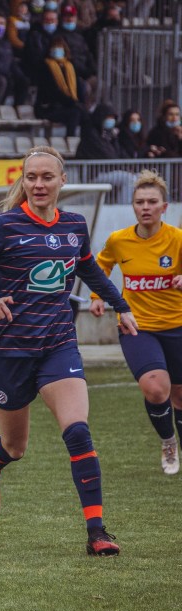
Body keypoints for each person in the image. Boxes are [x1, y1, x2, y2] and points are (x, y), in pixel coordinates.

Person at [0, 145, 139, 557]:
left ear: (62, 181)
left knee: (77, 431)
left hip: (58, 344)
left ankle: (97, 532)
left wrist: (121, 305)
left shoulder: (74, 225)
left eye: (46, 177)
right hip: (8, 351)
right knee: (14, 447)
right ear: (23, 181)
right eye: (31, 177)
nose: (38, 184)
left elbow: (88, 269)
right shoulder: (4, 226)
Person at [89, 171, 182, 475]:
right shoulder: (119, 240)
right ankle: (168, 442)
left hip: (177, 325)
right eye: (140, 202)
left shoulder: (177, 239)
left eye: (152, 202)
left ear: (164, 207)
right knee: (156, 389)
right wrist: (96, 296)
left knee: (180, 394)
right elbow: (100, 265)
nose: (145, 207)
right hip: (136, 326)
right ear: (133, 206)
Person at [34, 36, 85, 137]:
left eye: (60, 47)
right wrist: (72, 103)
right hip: (49, 107)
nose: (57, 50)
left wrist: (79, 102)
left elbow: (78, 86)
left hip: (67, 105)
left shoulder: (70, 66)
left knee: (84, 114)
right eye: (55, 47)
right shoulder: (45, 66)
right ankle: (70, 139)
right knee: (74, 113)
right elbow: (52, 91)